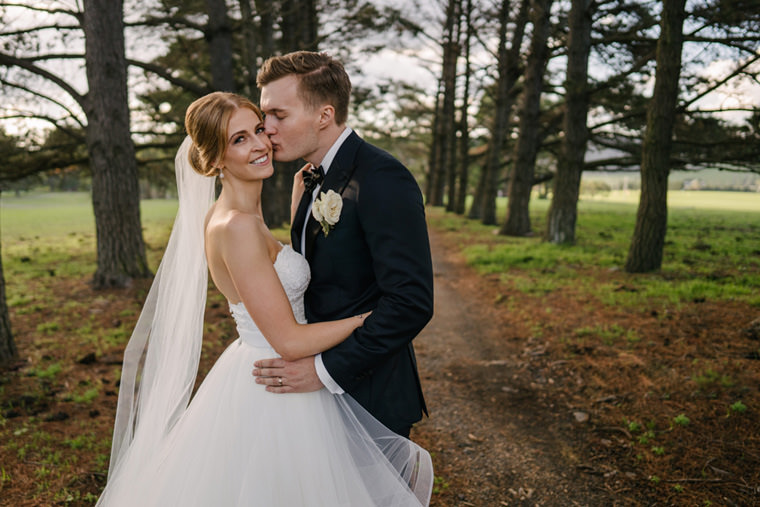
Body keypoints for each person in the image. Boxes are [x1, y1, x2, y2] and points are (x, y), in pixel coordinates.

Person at [97, 92, 432, 506]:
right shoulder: (234, 227)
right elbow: (289, 341)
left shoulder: (243, 217)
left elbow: (276, 276)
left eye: (258, 129)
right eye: (238, 139)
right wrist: (364, 319)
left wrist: (300, 218)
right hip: (275, 384)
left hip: (271, 372)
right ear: (215, 158)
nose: (260, 143)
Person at [254, 51, 434, 439]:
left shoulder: (382, 177)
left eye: (279, 115)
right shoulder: (308, 179)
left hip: (369, 395)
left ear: (324, 115)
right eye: (264, 114)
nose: (265, 127)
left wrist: (323, 370)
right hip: (311, 395)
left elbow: (411, 302)